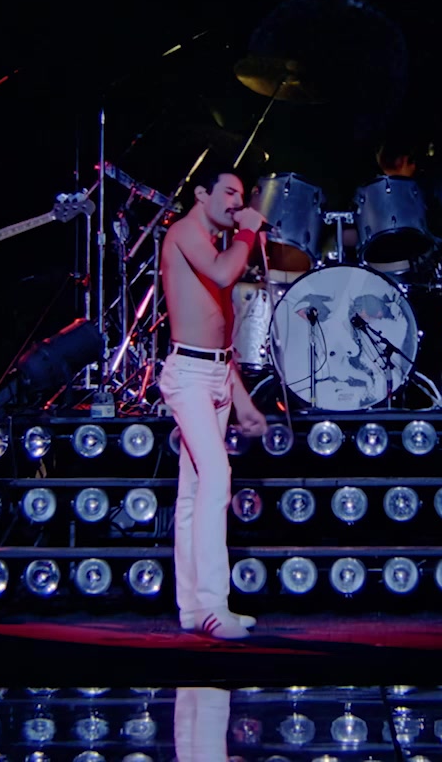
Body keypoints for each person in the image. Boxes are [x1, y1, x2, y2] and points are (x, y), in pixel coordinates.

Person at [159, 171, 271, 638]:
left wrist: (242, 401)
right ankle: (213, 604)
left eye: (242, 197)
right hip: (187, 375)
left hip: (216, 373)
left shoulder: (213, 244)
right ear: (201, 194)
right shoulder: (186, 231)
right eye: (228, 193)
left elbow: (222, 341)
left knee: (192, 492)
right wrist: (247, 232)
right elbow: (224, 273)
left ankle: (192, 607)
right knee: (216, 477)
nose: (237, 203)